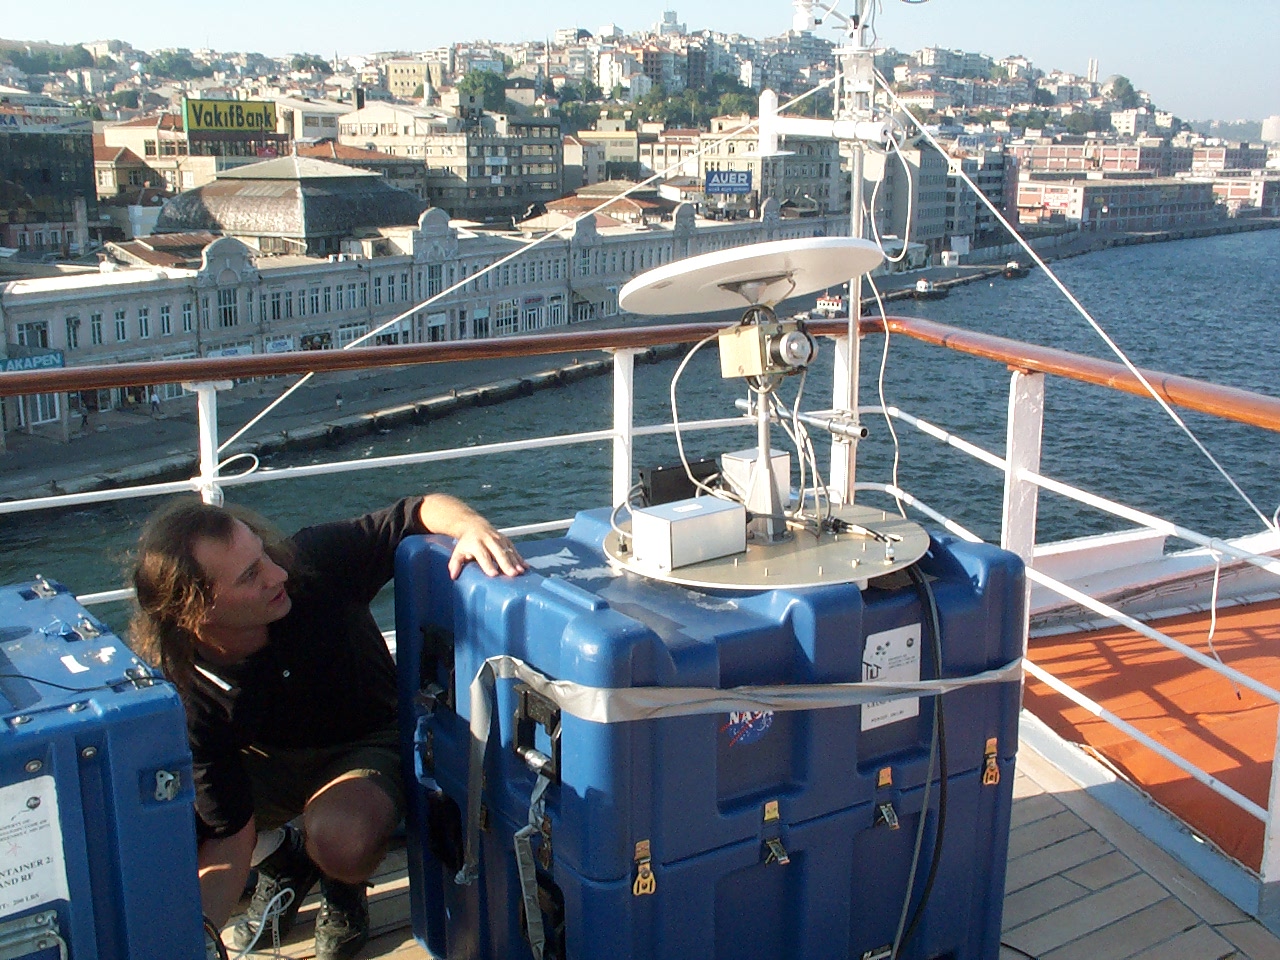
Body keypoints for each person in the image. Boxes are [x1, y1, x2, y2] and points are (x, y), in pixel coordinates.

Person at [130, 494, 526, 960]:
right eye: (250, 576)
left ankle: (341, 884)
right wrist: (193, 941)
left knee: (342, 837)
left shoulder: (311, 564)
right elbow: (228, 832)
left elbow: (416, 512)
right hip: (263, 761)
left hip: (364, 738)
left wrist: (473, 526)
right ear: (196, 611)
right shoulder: (181, 684)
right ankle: (286, 858)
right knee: (164, 822)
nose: (276, 575)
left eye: (262, 553)